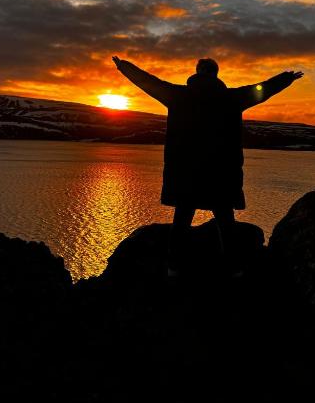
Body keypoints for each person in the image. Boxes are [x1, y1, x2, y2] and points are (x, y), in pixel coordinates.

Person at [112, 55, 303, 274]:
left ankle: (174, 267)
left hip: (186, 173)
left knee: (181, 220)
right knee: (226, 221)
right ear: (215, 74)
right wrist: (286, 78)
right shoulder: (232, 98)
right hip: (221, 173)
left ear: (198, 72)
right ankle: (233, 268)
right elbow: (262, 89)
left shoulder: (178, 95)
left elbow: (149, 82)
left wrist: (124, 67)